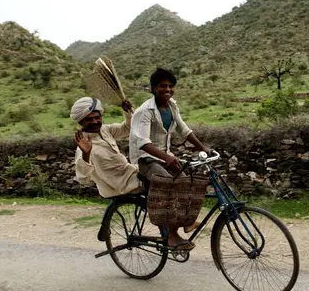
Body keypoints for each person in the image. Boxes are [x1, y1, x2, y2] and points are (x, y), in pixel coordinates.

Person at [129, 68, 210, 250]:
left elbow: (183, 129)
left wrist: (203, 147)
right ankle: (172, 237)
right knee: (168, 184)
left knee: (186, 180)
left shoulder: (172, 106)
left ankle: (185, 221)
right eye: (162, 86)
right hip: (146, 160)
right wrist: (166, 157)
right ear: (153, 88)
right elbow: (143, 142)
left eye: (171, 86)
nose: (167, 89)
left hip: (164, 157)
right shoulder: (145, 111)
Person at [71, 97, 142, 199]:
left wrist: (127, 112)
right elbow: (83, 179)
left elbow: (127, 128)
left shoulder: (105, 130)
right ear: (81, 122)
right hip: (121, 187)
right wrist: (86, 154)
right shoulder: (83, 146)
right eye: (89, 119)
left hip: (132, 175)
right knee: (163, 180)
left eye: (97, 117)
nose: (95, 121)